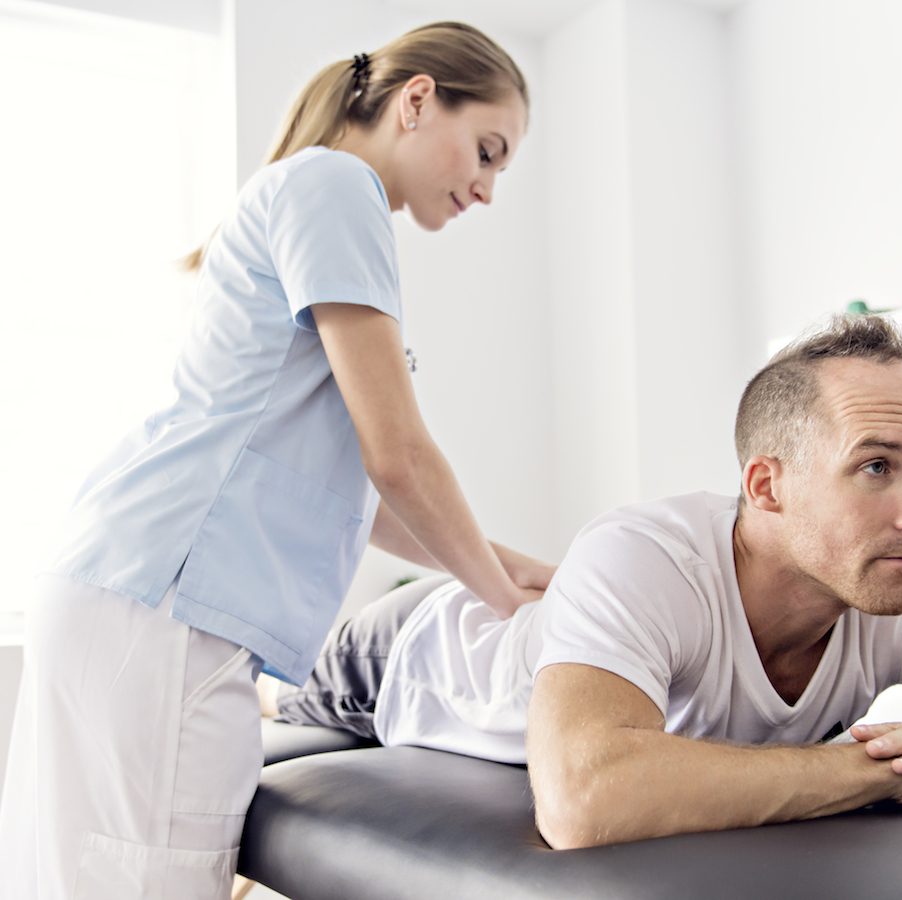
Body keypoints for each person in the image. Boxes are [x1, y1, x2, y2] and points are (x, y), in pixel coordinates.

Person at [0, 22, 553, 900]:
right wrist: (505, 608)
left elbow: (358, 494)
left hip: (132, 592)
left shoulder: (310, 192)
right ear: (417, 99)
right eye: (487, 150)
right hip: (166, 611)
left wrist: (523, 572)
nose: (486, 188)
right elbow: (398, 454)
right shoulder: (338, 187)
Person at [264, 314, 902, 850]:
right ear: (766, 487)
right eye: (877, 468)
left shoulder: (900, 590)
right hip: (402, 657)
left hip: (543, 636)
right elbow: (582, 800)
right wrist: (884, 773)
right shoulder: (646, 556)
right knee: (264, 756)